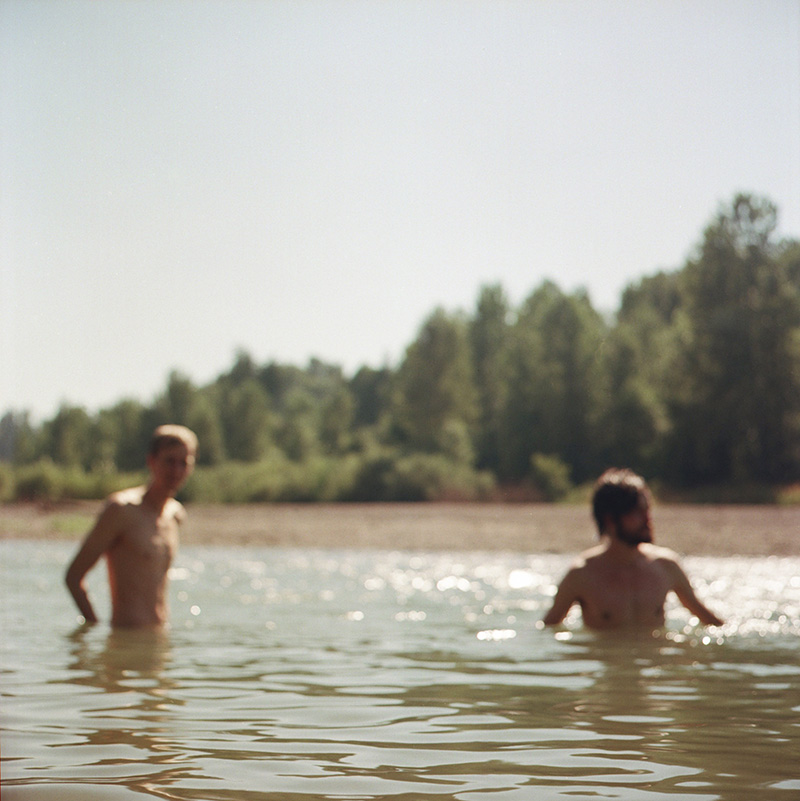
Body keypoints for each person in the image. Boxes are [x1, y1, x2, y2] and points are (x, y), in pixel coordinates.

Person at [542, 467, 723, 631]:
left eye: (647, 510)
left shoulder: (666, 566)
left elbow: (712, 624)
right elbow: (546, 633)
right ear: (610, 520)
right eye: (637, 513)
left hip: (655, 664)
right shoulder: (581, 574)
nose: (647, 519)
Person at [65, 425, 197, 628]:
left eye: (183, 463)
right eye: (169, 461)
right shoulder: (121, 510)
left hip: (160, 638)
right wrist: (93, 626)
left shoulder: (175, 514)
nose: (176, 470)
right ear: (151, 460)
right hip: (125, 638)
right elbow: (74, 576)